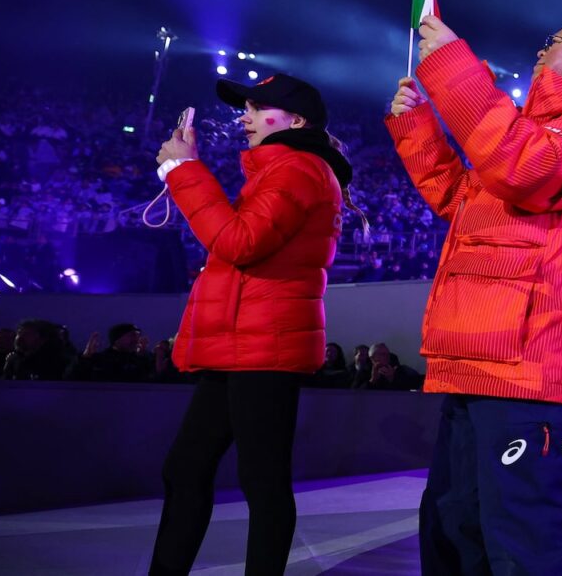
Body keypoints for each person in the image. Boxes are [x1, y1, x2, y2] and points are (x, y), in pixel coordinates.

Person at [388, 11, 562, 573]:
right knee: (460, 523)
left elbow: (529, 169)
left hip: (528, 362)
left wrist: (453, 66)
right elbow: (463, 203)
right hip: (481, 355)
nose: (540, 51)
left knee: (522, 540)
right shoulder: (531, 127)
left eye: (553, 41)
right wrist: (419, 129)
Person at [149, 72, 351, 576]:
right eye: (248, 108)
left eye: (259, 108)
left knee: (261, 482)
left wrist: (183, 170)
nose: (246, 117)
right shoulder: (280, 170)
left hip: (264, 347)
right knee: (188, 469)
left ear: (296, 121)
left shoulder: (298, 169)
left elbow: (239, 243)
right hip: (245, 344)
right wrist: (182, 171)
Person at [69, 322, 154, 382]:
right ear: (117, 339)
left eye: (138, 336)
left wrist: (144, 358)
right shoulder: (100, 360)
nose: (136, 340)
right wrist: (85, 358)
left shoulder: (141, 359)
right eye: (132, 335)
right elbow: (73, 379)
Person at [1, 318, 72, 381]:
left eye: (27, 334)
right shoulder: (14, 360)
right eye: (19, 333)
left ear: (43, 339)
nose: (19, 337)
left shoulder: (58, 362)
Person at [351, 342, 423, 391]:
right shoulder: (364, 371)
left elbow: (405, 390)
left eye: (388, 354)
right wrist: (372, 381)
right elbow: (355, 394)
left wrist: (391, 379)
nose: (387, 357)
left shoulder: (397, 369)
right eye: (382, 354)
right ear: (372, 358)